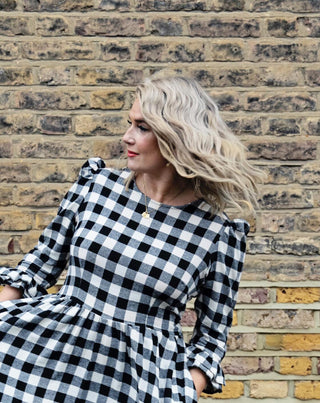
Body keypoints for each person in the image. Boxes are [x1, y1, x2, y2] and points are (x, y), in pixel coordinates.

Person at [0, 76, 262, 402]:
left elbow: (211, 338)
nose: (127, 137)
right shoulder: (97, 186)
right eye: (129, 123)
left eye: (142, 127)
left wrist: (181, 390)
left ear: (176, 135)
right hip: (50, 363)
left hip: (140, 384)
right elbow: (36, 269)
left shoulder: (218, 234)